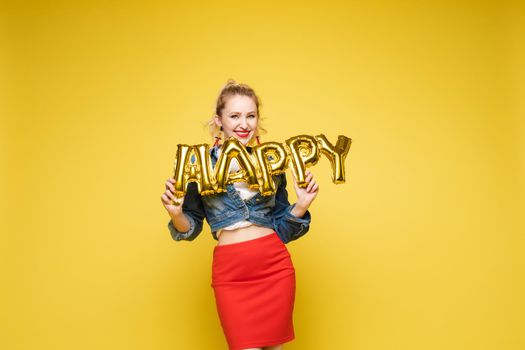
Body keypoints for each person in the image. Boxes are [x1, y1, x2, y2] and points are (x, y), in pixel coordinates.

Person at [160, 79, 319, 350]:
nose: (244, 124)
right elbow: (190, 226)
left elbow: (282, 229)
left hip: (274, 269)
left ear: (258, 119)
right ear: (219, 120)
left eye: (250, 115)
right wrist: (176, 214)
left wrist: (301, 206)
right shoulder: (199, 165)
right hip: (231, 275)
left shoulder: (273, 162)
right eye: (234, 116)